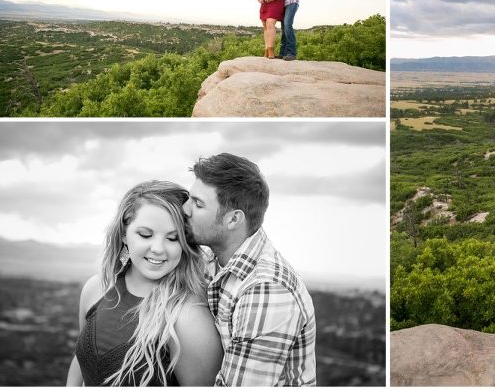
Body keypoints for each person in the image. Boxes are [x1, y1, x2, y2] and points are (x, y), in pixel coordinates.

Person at [66, 180, 223, 386]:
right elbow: (81, 362)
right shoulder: (96, 289)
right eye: (145, 235)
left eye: (173, 238)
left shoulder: (189, 318)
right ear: (124, 233)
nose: (158, 248)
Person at [184, 153, 316, 386]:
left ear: (233, 220)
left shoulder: (266, 289)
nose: (185, 209)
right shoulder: (214, 258)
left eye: (198, 203)